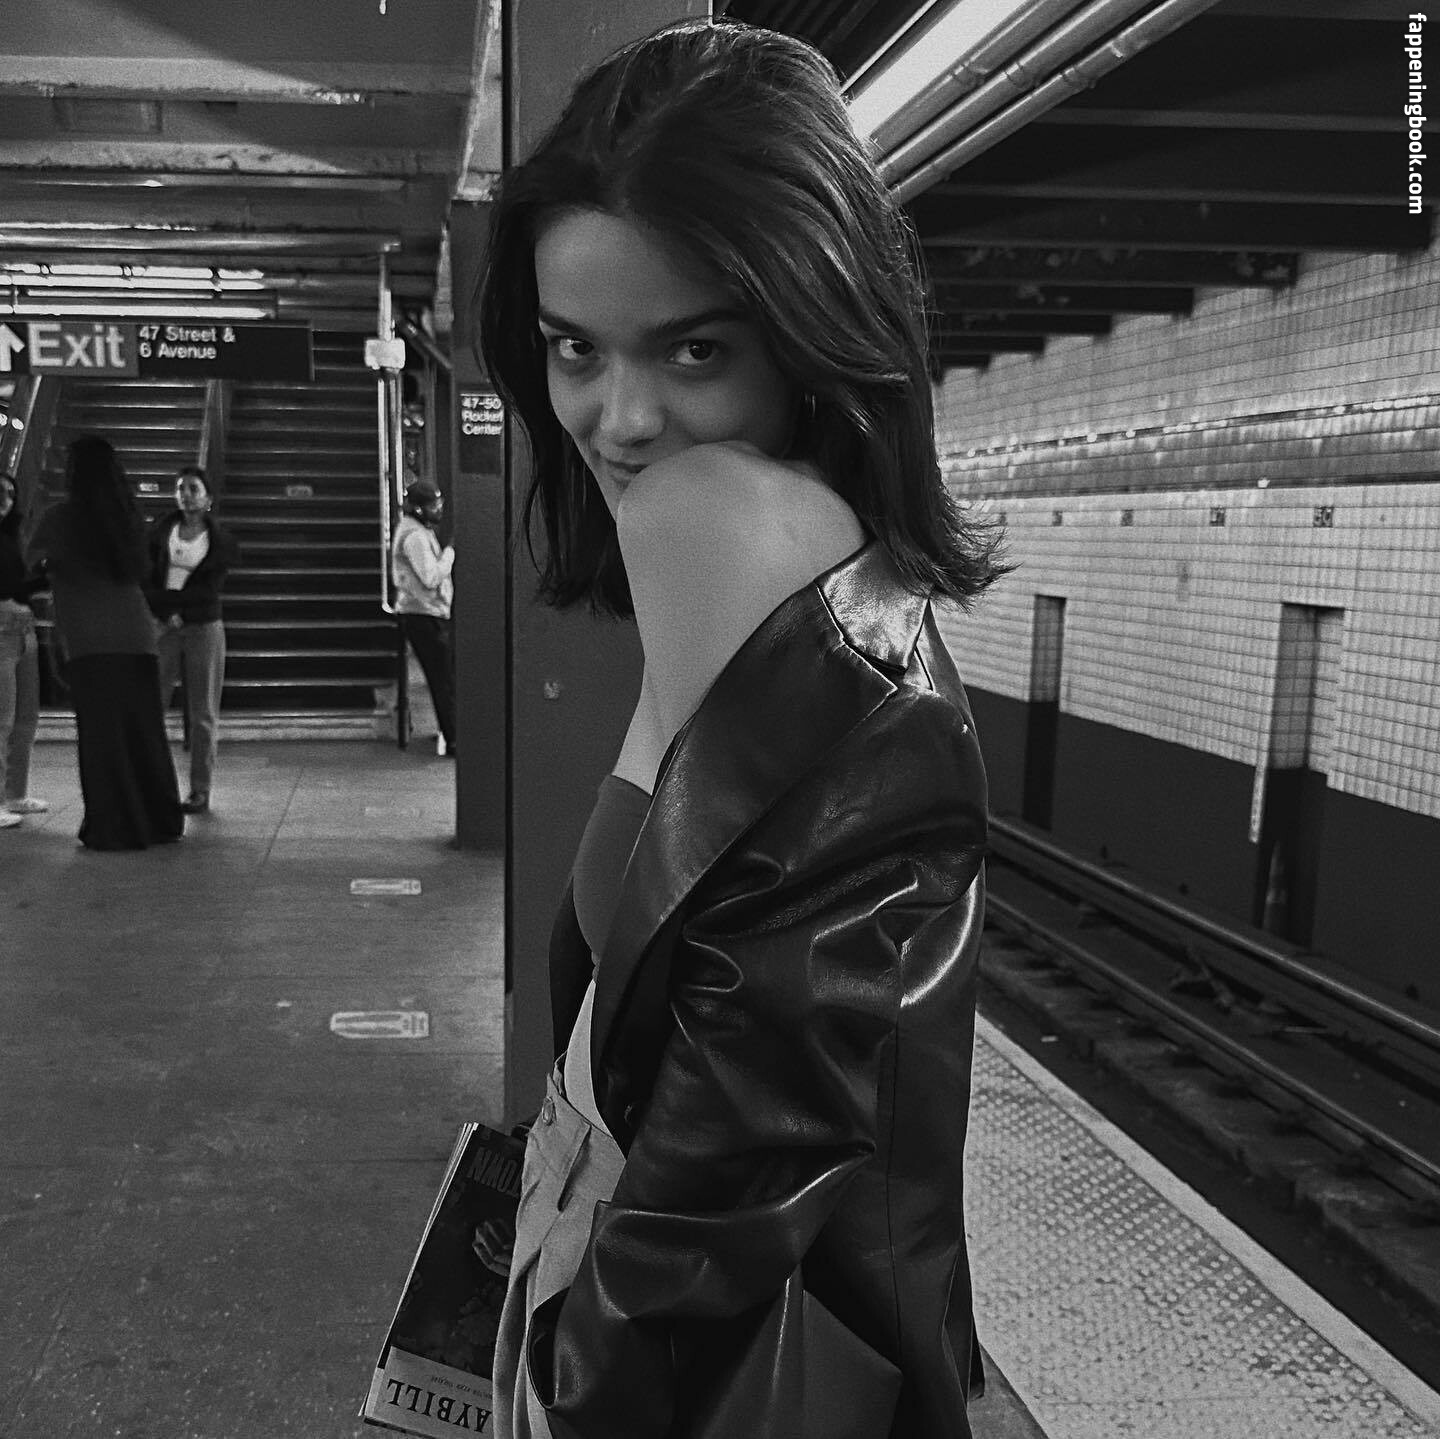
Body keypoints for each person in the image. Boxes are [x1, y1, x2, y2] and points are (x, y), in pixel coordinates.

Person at [475, 19, 1007, 1439]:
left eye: (695, 347)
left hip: (702, 1357)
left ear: (814, 316)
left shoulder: (723, 528)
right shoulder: (798, 556)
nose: (620, 418)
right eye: (573, 350)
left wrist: (574, 1380)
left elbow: (745, 1142)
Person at [28, 436, 183, 850]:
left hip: (89, 638)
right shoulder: (127, 517)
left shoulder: (58, 518)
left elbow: (27, 565)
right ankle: (161, 819)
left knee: (102, 736)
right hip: (137, 635)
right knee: (144, 731)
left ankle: (116, 825)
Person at [146, 464, 240, 814]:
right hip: (163, 625)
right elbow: (146, 575)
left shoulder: (220, 541)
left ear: (208, 497)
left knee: (203, 711)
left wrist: (180, 609)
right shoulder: (159, 532)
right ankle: (153, 783)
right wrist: (165, 609)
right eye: (180, 489)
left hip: (202, 625)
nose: (186, 495)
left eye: (193, 489)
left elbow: (210, 585)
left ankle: (200, 788)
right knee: (153, 705)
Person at [391, 478, 457, 755]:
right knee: (443, 680)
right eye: (433, 505)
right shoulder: (416, 537)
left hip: (425, 612)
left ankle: (451, 731)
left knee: (444, 678)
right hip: (423, 614)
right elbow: (430, 577)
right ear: (418, 508)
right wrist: (450, 554)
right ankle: (454, 738)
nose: (438, 510)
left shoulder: (416, 530)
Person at [0, 472, 49, 829]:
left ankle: (16, 791)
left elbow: (18, 583)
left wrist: (43, 576)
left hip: (23, 625)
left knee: (25, 716)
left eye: (9, 493)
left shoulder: (11, 536)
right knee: (1, 717)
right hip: (2, 628)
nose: (4, 498)